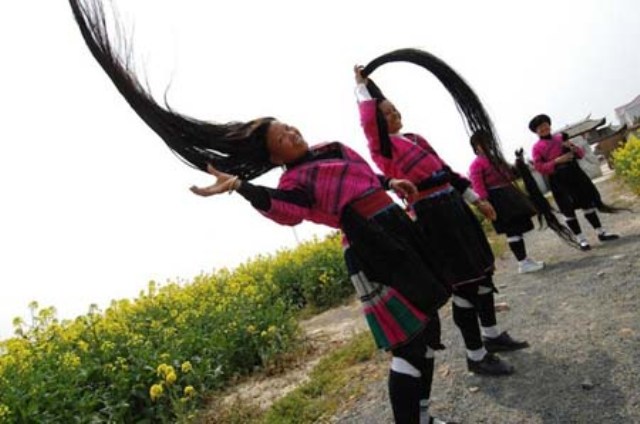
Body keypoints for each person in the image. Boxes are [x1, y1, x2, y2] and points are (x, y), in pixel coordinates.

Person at [69, 1, 456, 422]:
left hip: (395, 226)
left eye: (288, 126)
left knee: (426, 328)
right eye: (282, 137)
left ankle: (423, 416)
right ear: (274, 156)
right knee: (408, 342)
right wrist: (243, 187)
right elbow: (288, 211)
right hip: (371, 245)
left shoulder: (333, 148)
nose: (292, 133)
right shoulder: (293, 183)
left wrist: (389, 183)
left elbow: (365, 177)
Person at [354, 62, 528, 378]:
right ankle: (476, 356)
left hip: (454, 207)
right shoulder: (383, 149)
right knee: (464, 285)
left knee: (482, 274)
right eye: (387, 114)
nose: (394, 114)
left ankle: (491, 335)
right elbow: (369, 122)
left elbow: (447, 171)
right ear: (377, 124)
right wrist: (362, 87)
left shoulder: (416, 139)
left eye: (395, 109)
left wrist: (476, 200)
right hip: (432, 217)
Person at [529, 114, 620, 251]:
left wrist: (572, 148)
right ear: (536, 131)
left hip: (576, 175)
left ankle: (601, 233)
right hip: (559, 180)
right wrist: (557, 161)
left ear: (549, 125)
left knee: (587, 204)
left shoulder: (561, 138)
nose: (544, 128)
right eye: (540, 127)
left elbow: (580, 154)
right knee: (568, 210)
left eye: (545, 125)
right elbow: (539, 167)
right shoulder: (537, 148)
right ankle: (581, 240)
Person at [469, 130, 544, 274]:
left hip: (510, 195)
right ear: (476, 147)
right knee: (512, 230)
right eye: (481, 143)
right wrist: (485, 202)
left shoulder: (497, 158)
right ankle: (522, 263)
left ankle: (524, 259)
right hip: (498, 200)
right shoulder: (476, 164)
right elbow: (478, 186)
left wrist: (519, 161)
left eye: (488, 141)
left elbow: (512, 174)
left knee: (517, 229)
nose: (486, 145)